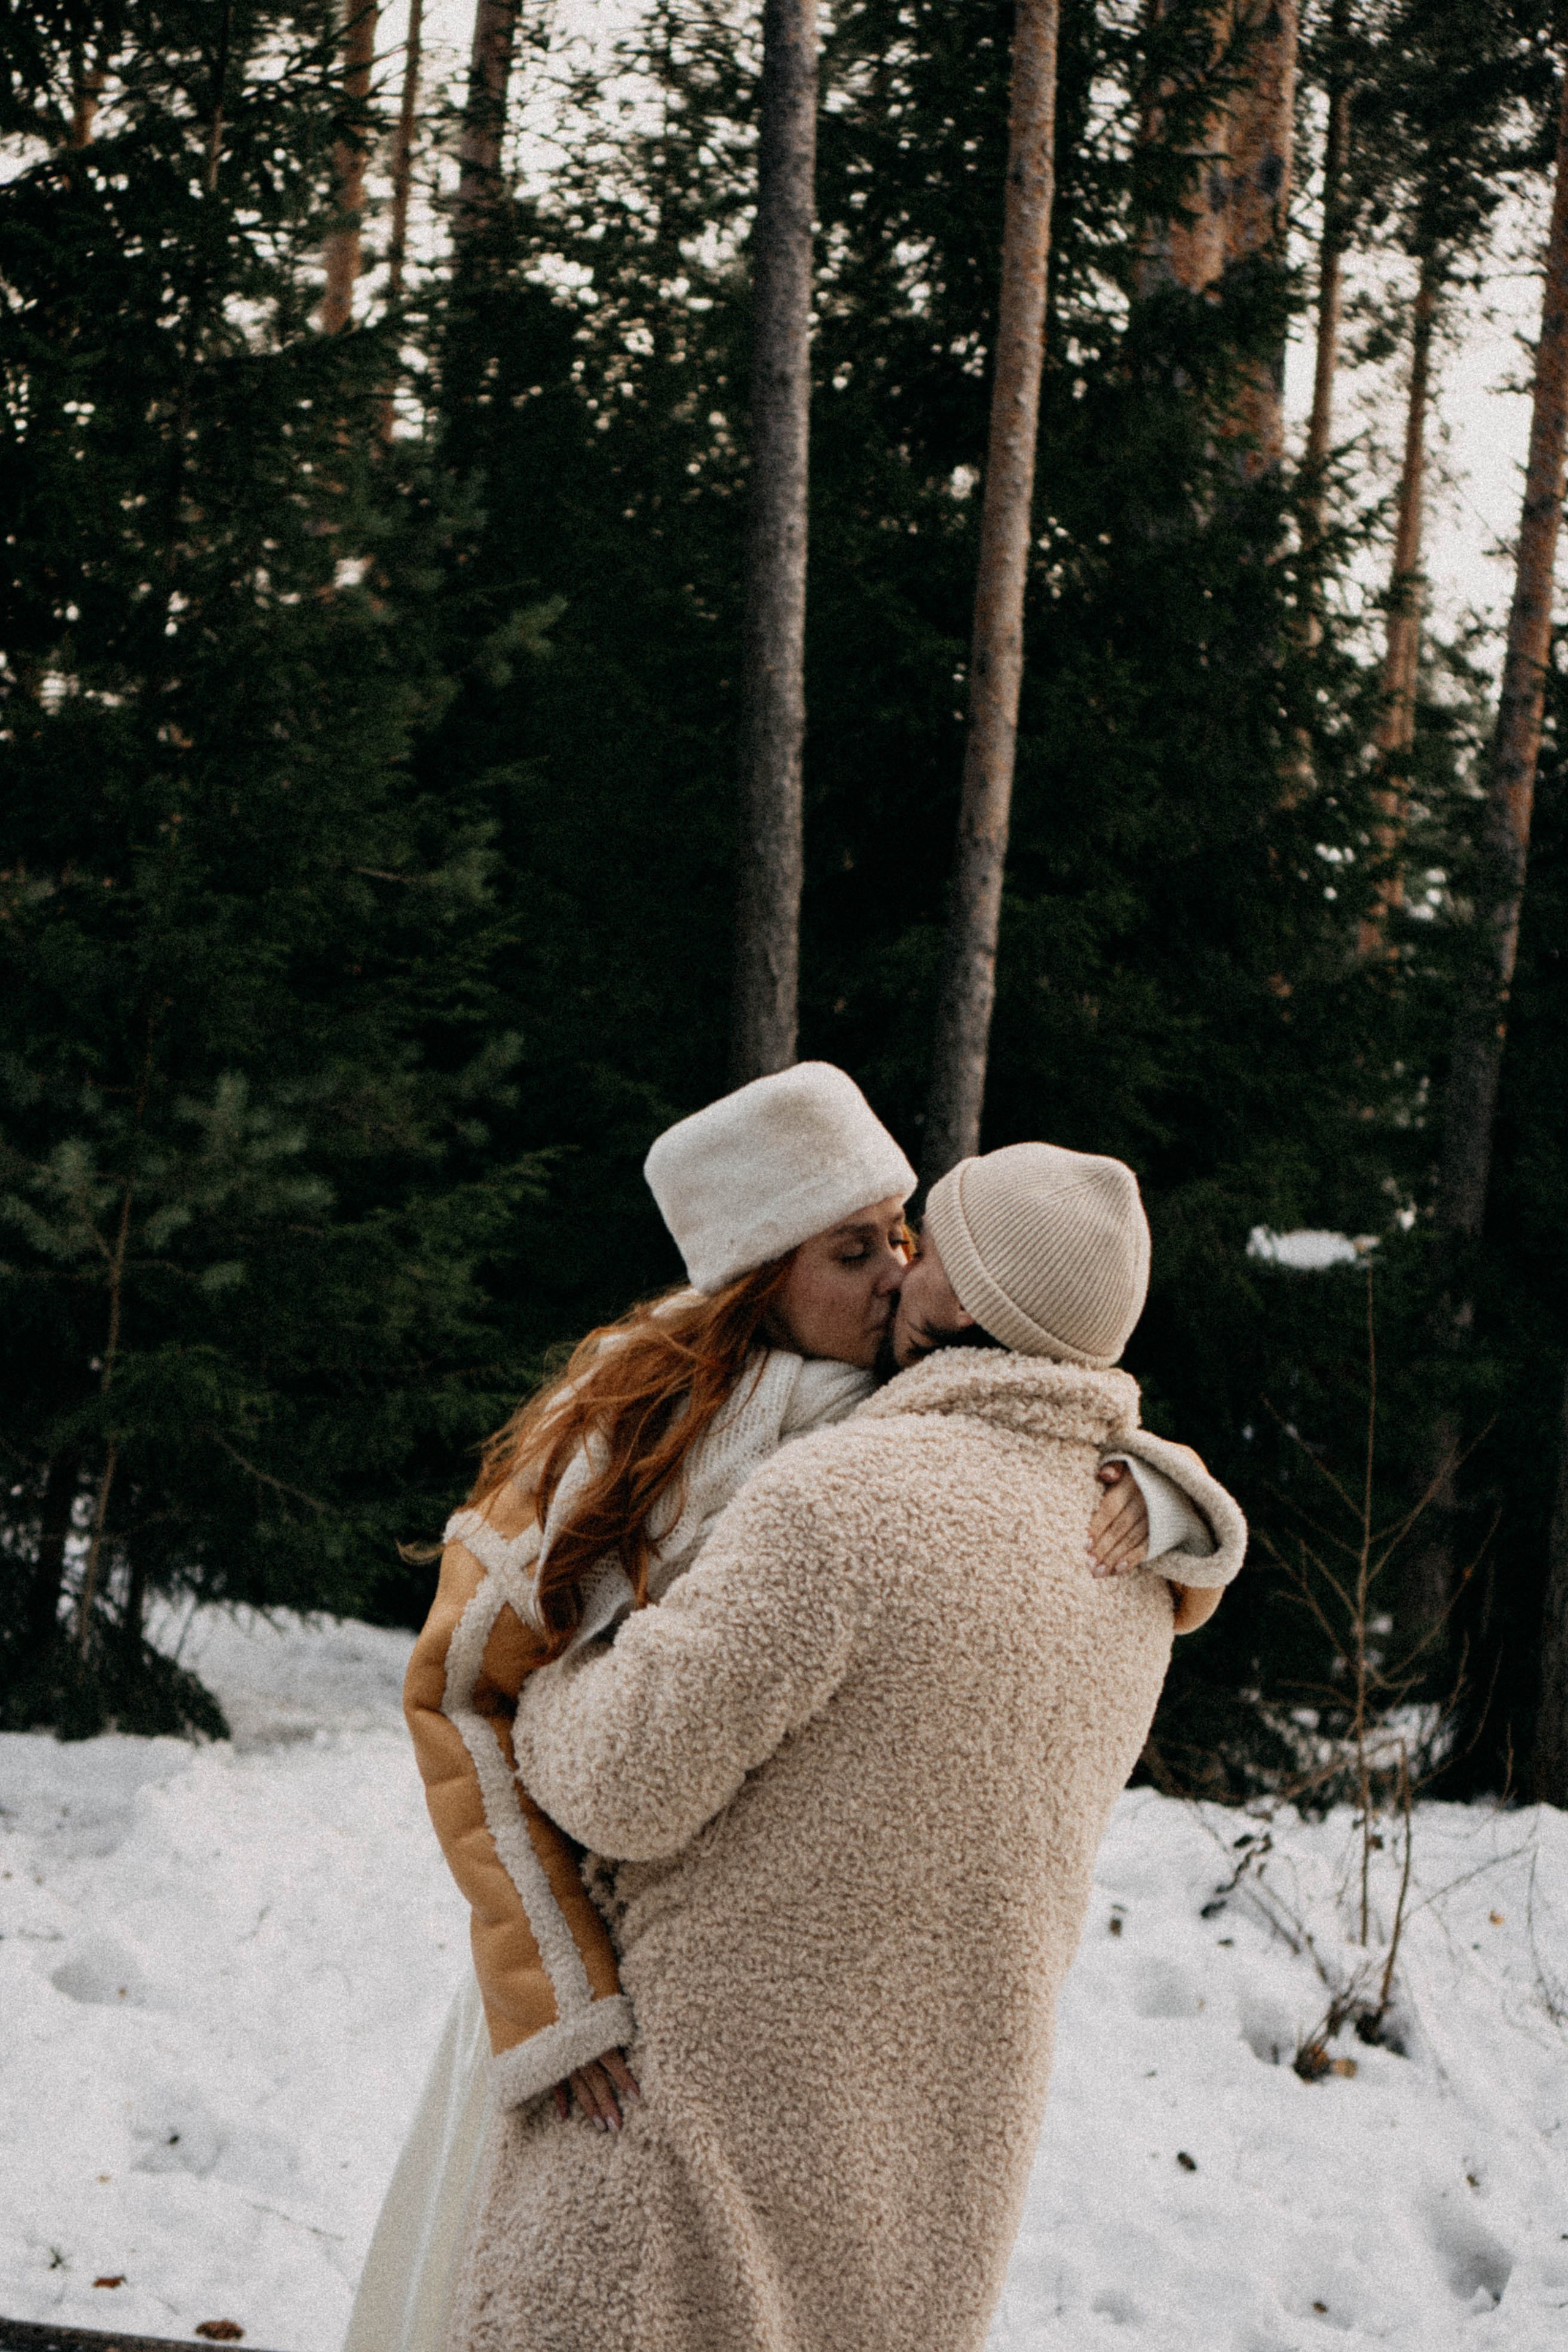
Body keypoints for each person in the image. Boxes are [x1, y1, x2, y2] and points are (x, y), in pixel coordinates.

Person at [344, 1072, 1237, 2352]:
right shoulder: (626, 1427)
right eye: (852, 1248)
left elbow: (1039, 1407)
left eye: (904, 1238)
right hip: (582, 1988)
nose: (892, 1274)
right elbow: (465, 1697)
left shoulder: (895, 1414)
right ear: (759, 1274)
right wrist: (551, 1991)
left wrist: (1169, 1499)